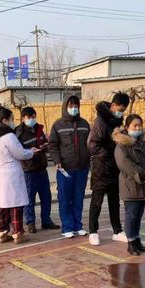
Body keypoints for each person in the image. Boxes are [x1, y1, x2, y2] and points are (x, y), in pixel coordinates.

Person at [0, 106, 35, 244]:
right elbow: (20, 153)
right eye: (11, 119)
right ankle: (17, 233)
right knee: (15, 204)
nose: (13, 122)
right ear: (4, 120)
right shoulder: (8, 136)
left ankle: (2, 232)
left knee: (1, 204)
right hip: (11, 174)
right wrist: (31, 152)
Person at [87, 92, 130, 246]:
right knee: (97, 201)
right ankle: (93, 231)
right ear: (113, 105)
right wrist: (107, 154)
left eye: (123, 110)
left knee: (114, 200)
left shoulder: (117, 121)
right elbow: (92, 145)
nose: (121, 113)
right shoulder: (100, 121)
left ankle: (117, 231)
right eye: (120, 109)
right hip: (101, 166)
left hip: (114, 167)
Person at [114, 114, 145, 256]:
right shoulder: (122, 144)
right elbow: (124, 163)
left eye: (140, 125)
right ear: (127, 127)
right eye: (135, 125)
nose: (138, 128)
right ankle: (131, 242)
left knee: (138, 215)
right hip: (130, 185)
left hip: (144, 184)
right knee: (131, 215)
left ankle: (137, 239)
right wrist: (142, 173)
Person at [48, 95, 91, 238]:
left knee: (78, 198)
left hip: (82, 169)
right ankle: (67, 227)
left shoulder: (84, 124)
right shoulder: (58, 125)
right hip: (65, 169)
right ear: (65, 107)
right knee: (65, 199)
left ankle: (78, 226)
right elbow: (53, 145)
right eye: (71, 106)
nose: (74, 108)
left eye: (76, 106)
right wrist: (57, 160)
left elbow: (90, 144)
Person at [15, 106, 59, 233]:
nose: (31, 119)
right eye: (29, 117)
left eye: (33, 117)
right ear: (23, 118)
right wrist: (29, 151)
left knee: (46, 196)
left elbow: (44, 141)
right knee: (30, 198)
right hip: (29, 170)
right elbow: (18, 151)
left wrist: (45, 146)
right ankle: (31, 223)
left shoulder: (39, 129)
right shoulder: (18, 133)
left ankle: (46, 220)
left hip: (42, 168)